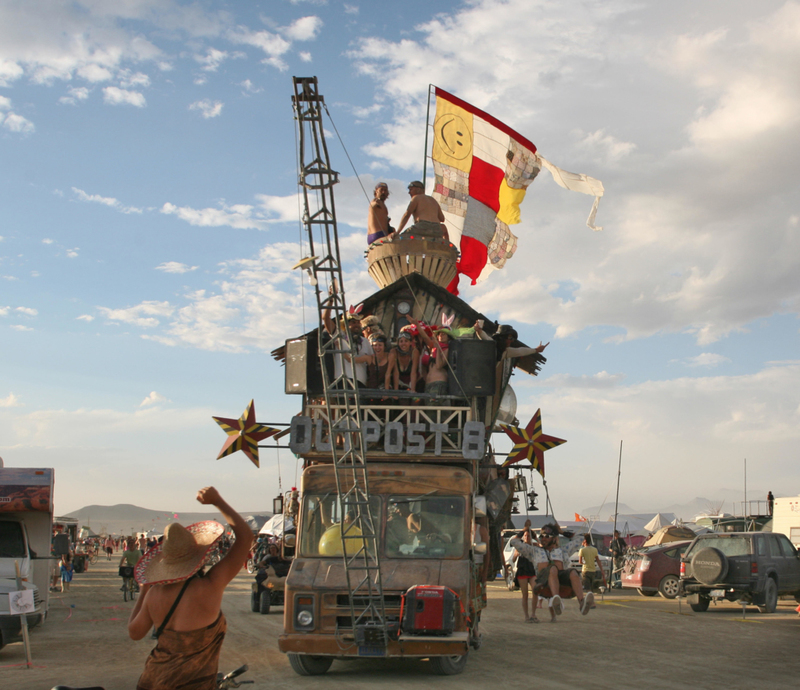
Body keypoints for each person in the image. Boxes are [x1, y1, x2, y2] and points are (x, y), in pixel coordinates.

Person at [127, 486, 251, 690]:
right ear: (198, 557)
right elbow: (245, 537)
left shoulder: (154, 594)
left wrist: (145, 590)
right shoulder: (210, 585)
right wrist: (217, 501)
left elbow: (134, 632)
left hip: (152, 681)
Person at [533, 523, 594, 617]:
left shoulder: (562, 550)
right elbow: (515, 542)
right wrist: (524, 532)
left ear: (554, 538)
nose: (543, 538)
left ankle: (581, 602)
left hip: (560, 578)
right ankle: (556, 599)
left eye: (547, 536)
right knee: (552, 568)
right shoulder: (536, 551)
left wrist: (562, 532)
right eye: (542, 536)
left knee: (573, 572)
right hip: (544, 580)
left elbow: (581, 538)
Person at [322, 305, 374, 388]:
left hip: (360, 383)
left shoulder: (365, 341)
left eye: (358, 323)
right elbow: (325, 318)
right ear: (346, 324)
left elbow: (372, 361)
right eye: (353, 322)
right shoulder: (339, 336)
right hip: (342, 382)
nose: (356, 325)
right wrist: (331, 301)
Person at [510, 523, 545, 623]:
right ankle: (526, 616)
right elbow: (513, 559)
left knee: (535, 591)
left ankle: (533, 614)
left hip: (532, 569)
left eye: (529, 535)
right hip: (522, 570)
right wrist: (516, 554)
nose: (527, 537)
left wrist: (536, 538)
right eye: (525, 535)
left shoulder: (534, 545)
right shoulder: (520, 546)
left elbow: (542, 548)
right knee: (525, 594)